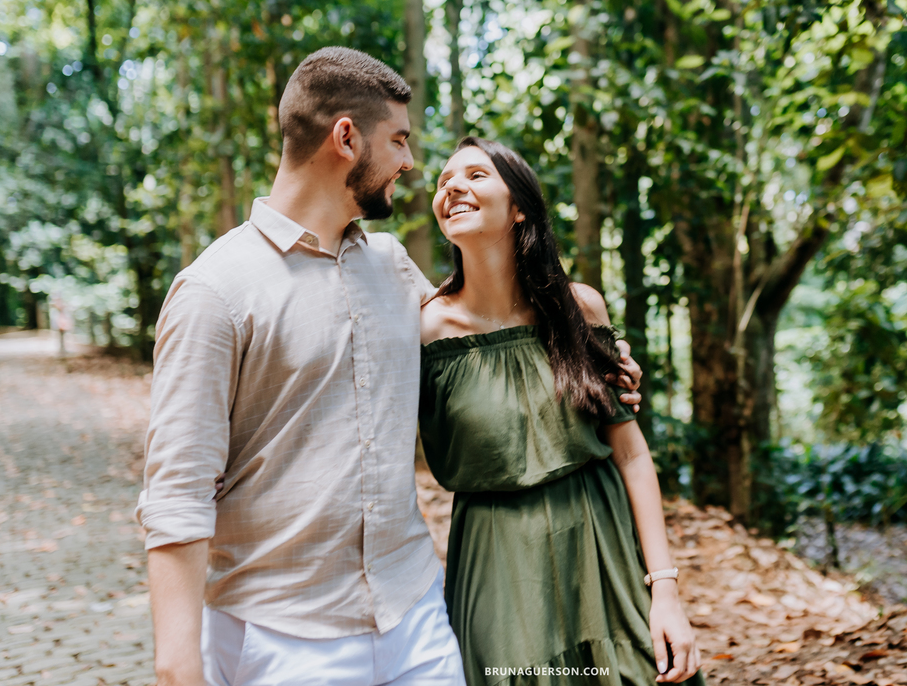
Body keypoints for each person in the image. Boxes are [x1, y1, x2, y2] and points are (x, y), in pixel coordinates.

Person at [137, 47, 465, 686]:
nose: (409, 160)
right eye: (398, 139)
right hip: (283, 641)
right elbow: (178, 493)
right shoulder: (214, 291)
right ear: (346, 137)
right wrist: (179, 668)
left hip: (415, 612)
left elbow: (480, 342)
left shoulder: (392, 264)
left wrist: (592, 350)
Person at [418, 137, 704, 685]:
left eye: (477, 175)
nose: (452, 186)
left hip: (602, 544)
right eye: (444, 180)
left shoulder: (579, 308)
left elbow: (632, 455)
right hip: (498, 562)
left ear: (519, 206)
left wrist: (664, 590)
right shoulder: (423, 329)